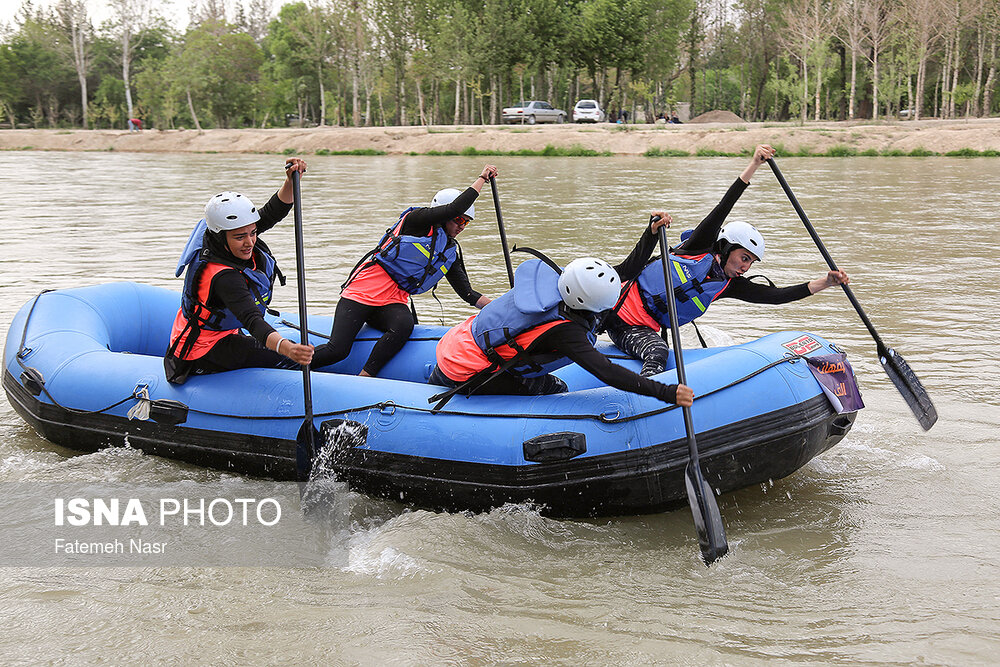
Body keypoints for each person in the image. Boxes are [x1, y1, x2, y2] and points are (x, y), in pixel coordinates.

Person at [603, 144, 850, 376]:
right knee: (576, 333)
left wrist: (825, 283)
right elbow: (725, 206)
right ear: (727, 248)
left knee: (658, 352)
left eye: (751, 262)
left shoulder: (729, 285)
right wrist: (754, 164)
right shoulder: (696, 248)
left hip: (636, 330)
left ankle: (648, 399)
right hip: (608, 309)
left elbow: (777, 296)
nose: (745, 266)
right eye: (743, 258)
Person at [427, 244, 694, 409]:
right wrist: (666, 392)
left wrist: (650, 233)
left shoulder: (563, 283)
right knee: (556, 388)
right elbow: (607, 372)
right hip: (470, 370)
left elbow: (623, 271)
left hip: (455, 343)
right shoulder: (566, 331)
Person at [310, 165, 497, 377]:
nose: (462, 226)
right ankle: (287, 363)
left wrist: (499, 309)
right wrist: (482, 178)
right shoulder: (416, 221)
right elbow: (454, 208)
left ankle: (366, 376)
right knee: (338, 350)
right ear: (443, 214)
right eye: (460, 220)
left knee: (404, 325)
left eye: (467, 222)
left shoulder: (449, 251)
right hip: (362, 293)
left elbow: (467, 293)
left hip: (391, 301)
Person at [164, 159, 314, 384]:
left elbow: (271, 213)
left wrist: (291, 181)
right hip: (202, 350)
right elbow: (252, 320)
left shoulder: (228, 234)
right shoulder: (223, 276)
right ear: (220, 235)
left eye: (253, 233)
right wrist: (286, 348)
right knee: (295, 360)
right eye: (240, 237)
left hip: (223, 332)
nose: (250, 242)